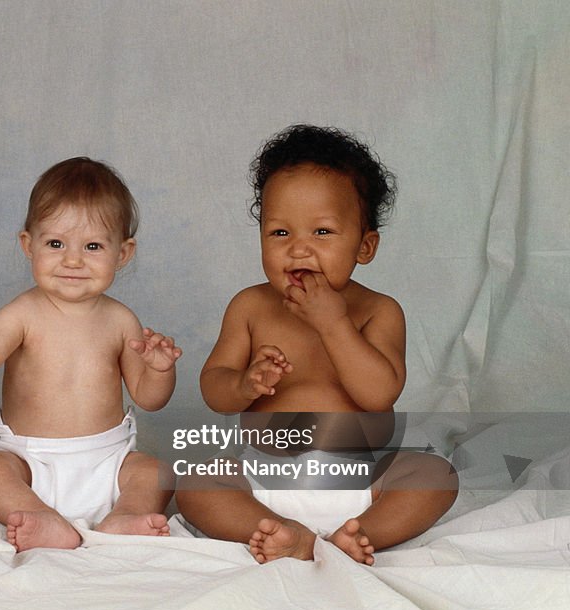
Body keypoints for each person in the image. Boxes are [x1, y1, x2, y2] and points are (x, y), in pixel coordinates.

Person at [177, 125, 457, 565]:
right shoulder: (250, 306)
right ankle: (279, 531)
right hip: (262, 478)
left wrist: (334, 325)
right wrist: (245, 385)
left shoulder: (378, 311)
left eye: (322, 233)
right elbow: (214, 388)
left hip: (362, 478)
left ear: (365, 246)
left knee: (434, 474)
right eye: (280, 233)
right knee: (197, 479)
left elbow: (379, 393)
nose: (299, 250)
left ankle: (362, 533)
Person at [0, 157, 180, 552]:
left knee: (155, 471)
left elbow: (149, 399)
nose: (73, 260)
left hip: (107, 462)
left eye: (93, 246)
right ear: (29, 245)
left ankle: (125, 515)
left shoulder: (121, 321)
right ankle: (42, 518)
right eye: (56, 243)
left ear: (123, 253)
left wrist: (159, 370)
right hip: (29, 465)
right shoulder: (22, 314)